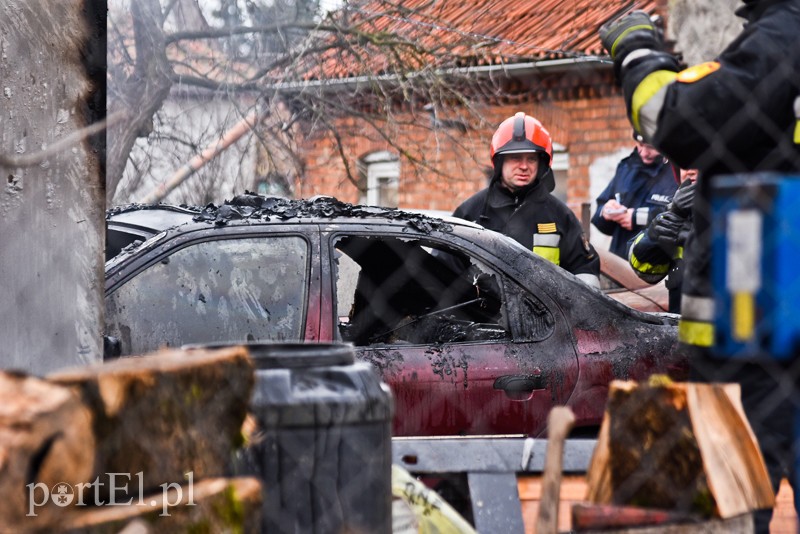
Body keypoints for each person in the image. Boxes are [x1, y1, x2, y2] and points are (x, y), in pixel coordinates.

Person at [599, 3, 800, 530]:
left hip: (756, 341)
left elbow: (678, 117)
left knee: (727, 504)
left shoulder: (784, 36)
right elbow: (644, 263)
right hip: (758, 327)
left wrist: (640, 52)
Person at [453, 112, 600, 288]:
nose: (524, 166)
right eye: (515, 157)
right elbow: (444, 270)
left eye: (531, 159)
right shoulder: (471, 212)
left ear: (541, 164)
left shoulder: (560, 215)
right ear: (500, 162)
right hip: (485, 313)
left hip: (545, 314)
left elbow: (585, 270)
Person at [591, 133, 678, 259]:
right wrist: (606, 212)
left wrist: (636, 218)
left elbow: (677, 216)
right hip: (618, 261)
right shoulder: (626, 168)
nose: (643, 152)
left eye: (650, 147)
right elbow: (600, 214)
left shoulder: (676, 173)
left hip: (653, 265)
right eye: (640, 145)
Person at [628, 168, 698, 313]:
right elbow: (645, 271)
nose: (690, 171)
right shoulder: (674, 211)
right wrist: (654, 237)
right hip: (682, 329)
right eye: (685, 164)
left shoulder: (741, 209)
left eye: (698, 164)